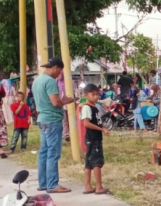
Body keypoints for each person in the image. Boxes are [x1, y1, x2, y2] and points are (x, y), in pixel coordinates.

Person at [33, 57, 74, 193]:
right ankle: (52, 184)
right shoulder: (50, 81)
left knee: (44, 152)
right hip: (52, 119)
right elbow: (55, 102)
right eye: (60, 71)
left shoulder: (37, 80)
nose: (59, 74)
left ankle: (43, 183)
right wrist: (66, 101)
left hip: (42, 118)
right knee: (53, 153)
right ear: (56, 67)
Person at [79, 84, 110, 195]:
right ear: (86, 95)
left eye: (97, 94)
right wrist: (101, 129)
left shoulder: (94, 107)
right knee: (96, 162)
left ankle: (88, 185)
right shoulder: (87, 108)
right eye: (93, 94)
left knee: (88, 163)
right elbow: (86, 123)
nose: (96, 97)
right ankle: (98, 186)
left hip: (92, 138)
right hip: (93, 138)